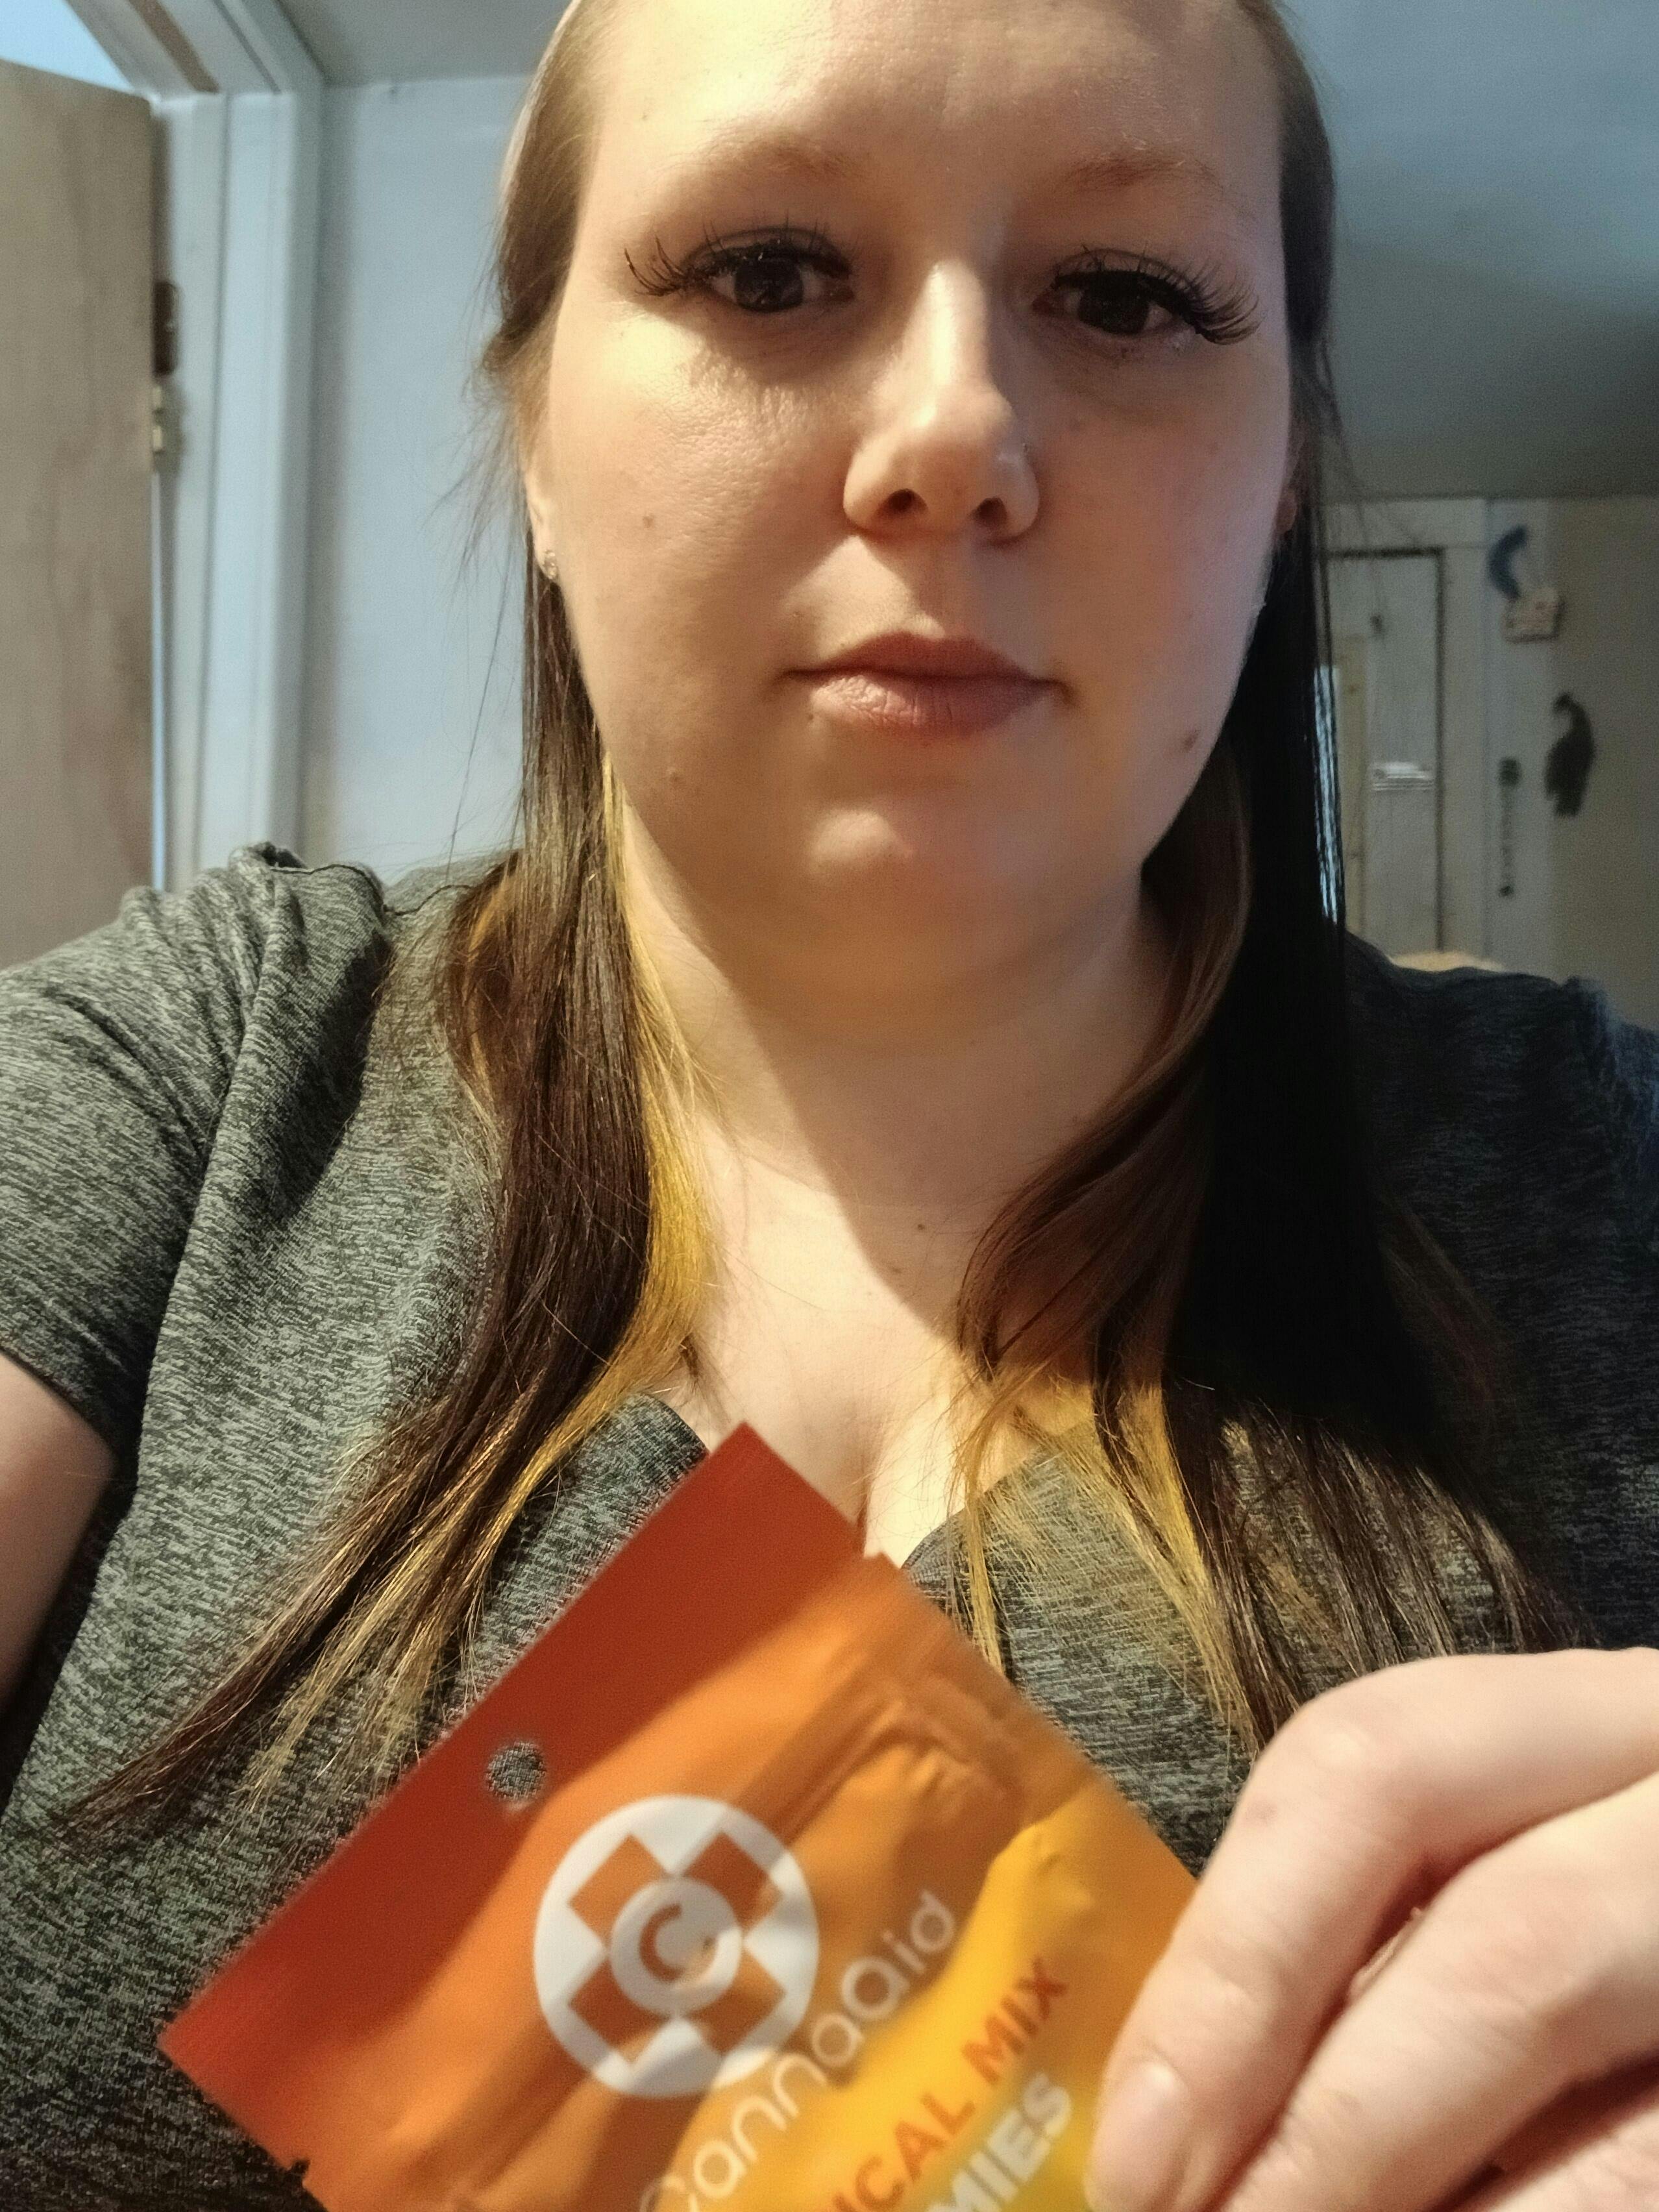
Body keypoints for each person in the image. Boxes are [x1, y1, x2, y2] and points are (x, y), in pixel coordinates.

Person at [1, 0, 1657, 2204]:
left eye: (1125, 295)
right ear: (532, 431)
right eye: (768, 270)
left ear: (1279, 478)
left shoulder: (1599, 1162)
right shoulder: (187, 1080)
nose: (955, 431)